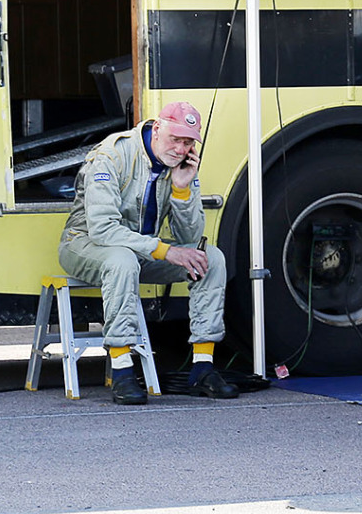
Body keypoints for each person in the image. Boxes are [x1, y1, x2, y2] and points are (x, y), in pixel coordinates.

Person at [59, 101, 237, 404]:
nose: (180, 149)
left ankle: (203, 368)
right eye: (175, 139)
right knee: (122, 260)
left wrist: (182, 189)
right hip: (84, 244)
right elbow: (102, 229)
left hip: (142, 251)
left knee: (211, 258)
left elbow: (190, 238)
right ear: (156, 129)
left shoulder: (181, 166)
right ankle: (122, 370)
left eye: (188, 142)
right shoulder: (112, 155)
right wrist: (164, 250)